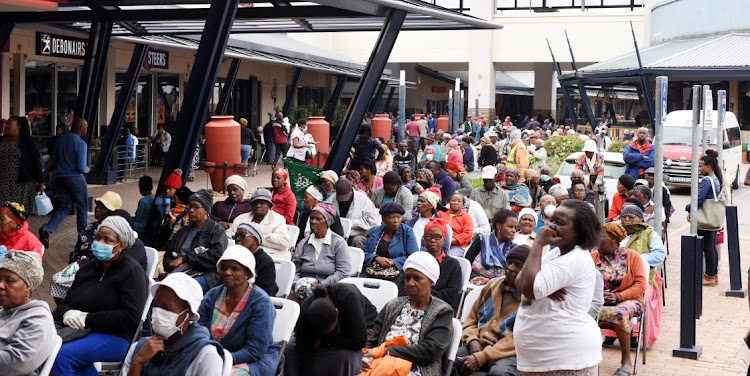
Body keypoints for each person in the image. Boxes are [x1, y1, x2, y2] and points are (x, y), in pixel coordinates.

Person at [514, 200, 602, 375]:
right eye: (552, 220)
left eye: (560, 223)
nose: (551, 227)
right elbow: (520, 283)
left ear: (579, 232)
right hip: (541, 356)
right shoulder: (555, 254)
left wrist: (538, 243)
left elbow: (530, 290)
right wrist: (543, 288)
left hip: (565, 355)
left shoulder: (576, 258)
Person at [52, 216, 148, 376]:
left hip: (115, 336)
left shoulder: (131, 272)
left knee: (60, 356)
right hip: (78, 330)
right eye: (97, 237)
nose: (99, 243)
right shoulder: (88, 268)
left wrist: (87, 319)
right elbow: (66, 300)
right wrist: (67, 312)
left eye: (107, 240)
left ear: (121, 246)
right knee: (42, 346)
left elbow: (130, 317)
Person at [361, 252, 453, 376]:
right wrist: (366, 358)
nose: (410, 283)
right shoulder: (392, 305)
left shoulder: (442, 311)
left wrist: (387, 351)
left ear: (431, 281)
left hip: (418, 369)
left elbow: (430, 352)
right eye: (407, 278)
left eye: (417, 278)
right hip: (381, 364)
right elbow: (373, 341)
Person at [197, 245, 280, 376]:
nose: (227, 272)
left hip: (252, 361)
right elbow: (199, 332)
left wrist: (220, 359)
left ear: (248, 273)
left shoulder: (260, 302)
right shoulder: (212, 296)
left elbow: (254, 351)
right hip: (214, 356)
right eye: (224, 268)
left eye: (235, 269)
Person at [121, 273, 223, 376]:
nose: (158, 313)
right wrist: (137, 363)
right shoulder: (139, 348)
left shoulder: (205, 356)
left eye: (166, 308)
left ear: (188, 315)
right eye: (156, 306)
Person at [454, 246, 529, 376]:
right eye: (509, 262)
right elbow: (471, 319)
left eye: (518, 265)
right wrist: (472, 340)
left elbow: (519, 338)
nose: (511, 268)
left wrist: (482, 356)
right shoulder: (492, 285)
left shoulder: (530, 298)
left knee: (499, 373)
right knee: (451, 359)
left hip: (508, 352)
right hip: (479, 344)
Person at [285, 283, 377, 376]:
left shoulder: (348, 297)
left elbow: (359, 340)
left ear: (337, 313)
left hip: (361, 329)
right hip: (322, 337)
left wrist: (322, 341)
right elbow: (301, 344)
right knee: (290, 347)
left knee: (345, 356)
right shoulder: (305, 310)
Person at [593, 223, 647, 375]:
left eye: (601, 236)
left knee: (619, 313)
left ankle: (626, 361)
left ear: (614, 239)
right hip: (600, 302)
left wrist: (618, 296)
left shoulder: (632, 256)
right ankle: (590, 359)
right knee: (581, 312)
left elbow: (641, 284)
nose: (596, 239)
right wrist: (597, 295)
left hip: (629, 301)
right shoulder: (593, 257)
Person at [0, 250, 56, 375]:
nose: (1, 285)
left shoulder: (38, 319)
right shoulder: (4, 310)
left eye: (9, 281)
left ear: (28, 287)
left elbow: (17, 361)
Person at [163, 189, 229, 293]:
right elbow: (168, 253)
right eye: (189, 206)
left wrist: (186, 259)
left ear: (206, 210)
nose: (191, 210)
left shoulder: (216, 231)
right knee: (156, 288)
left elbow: (216, 256)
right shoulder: (183, 231)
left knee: (179, 290)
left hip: (205, 274)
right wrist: (170, 265)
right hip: (178, 272)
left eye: (196, 207)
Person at [39, 117, 89, 248]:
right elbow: (81, 167)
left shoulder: (61, 140)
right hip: (75, 178)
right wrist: (89, 170)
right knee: (82, 208)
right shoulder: (81, 144)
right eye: (85, 128)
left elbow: (53, 160)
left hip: (60, 178)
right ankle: (82, 239)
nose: (86, 130)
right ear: (80, 128)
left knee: (64, 207)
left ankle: (47, 228)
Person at [399, 218, 462, 309]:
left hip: (438, 308)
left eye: (437, 237)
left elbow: (451, 295)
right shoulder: (416, 260)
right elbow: (402, 289)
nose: (432, 240)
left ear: (444, 239)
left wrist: (422, 295)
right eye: (428, 236)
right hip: (410, 305)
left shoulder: (453, 265)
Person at [292, 203, 350, 300]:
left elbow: (343, 272)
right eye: (311, 218)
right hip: (303, 289)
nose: (313, 222)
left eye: (318, 219)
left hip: (329, 290)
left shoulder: (338, 243)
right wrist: (296, 283)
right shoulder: (303, 243)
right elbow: (295, 269)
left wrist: (321, 285)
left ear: (327, 222)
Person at [360, 202, 418, 286]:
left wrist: (393, 262)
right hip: (373, 270)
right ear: (383, 219)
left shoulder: (407, 232)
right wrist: (375, 258)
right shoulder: (374, 231)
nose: (396, 221)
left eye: (398, 217)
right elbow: (363, 253)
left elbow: (413, 256)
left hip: (397, 272)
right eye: (392, 218)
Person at [229, 188, 292, 260]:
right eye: (255, 203)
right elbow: (229, 236)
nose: (258, 206)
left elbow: (284, 241)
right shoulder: (241, 218)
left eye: (262, 203)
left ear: (269, 205)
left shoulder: (278, 219)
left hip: (273, 257)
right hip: (242, 255)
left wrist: (254, 238)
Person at [0, 117, 43, 215]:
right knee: (3, 211)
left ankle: (18, 230)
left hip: (22, 184)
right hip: (3, 183)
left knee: (18, 212)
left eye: (9, 125)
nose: (6, 127)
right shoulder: (2, 140)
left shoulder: (26, 140)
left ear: (18, 127)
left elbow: (36, 160)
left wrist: (40, 181)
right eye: (6, 124)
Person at [465, 209, 518, 286]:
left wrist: (488, 281)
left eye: (515, 227)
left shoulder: (514, 249)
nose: (514, 231)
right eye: (510, 227)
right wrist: (471, 280)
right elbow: (467, 264)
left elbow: (512, 277)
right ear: (499, 226)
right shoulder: (481, 240)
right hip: (473, 283)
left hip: (498, 288)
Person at [331, 179, 381, 248]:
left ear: (351, 190)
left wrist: (350, 224)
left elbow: (372, 222)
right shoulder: (331, 199)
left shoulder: (364, 200)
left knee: (357, 240)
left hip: (357, 233)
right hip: (337, 233)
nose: (343, 201)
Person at [233, 222, 278, 296]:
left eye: (242, 235)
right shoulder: (232, 256)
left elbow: (264, 293)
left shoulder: (266, 262)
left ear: (256, 240)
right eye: (235, 236)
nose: (237, 239)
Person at [576, 140, 607, 222]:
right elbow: (578, 172)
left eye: (590, 152)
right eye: (587, 152)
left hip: (598, 184)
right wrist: (594, 172)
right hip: (584, 184)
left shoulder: (599, 157)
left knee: (599, 209)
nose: (588, 154)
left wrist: (596, 185)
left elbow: (601, 173)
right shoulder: (580, 158)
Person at [438, 193, 474, 257]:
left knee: (448, 258)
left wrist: (449, 241)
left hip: (457, 247)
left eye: (459, 201)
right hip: (439, 244)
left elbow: (468, 234)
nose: (456, 203)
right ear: (449, 202)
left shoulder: (466, 217)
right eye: (453, 200)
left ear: (462, 204)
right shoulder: (440, 214)